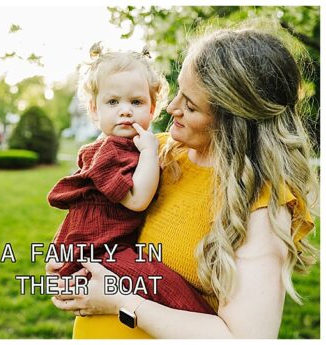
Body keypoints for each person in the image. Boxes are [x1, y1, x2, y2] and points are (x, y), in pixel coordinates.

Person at [49, 28, 317, 339]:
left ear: (233, 120)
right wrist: (69, 260)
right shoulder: (156, 153)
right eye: (177, 92)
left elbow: (244, 338)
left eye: (190, 105)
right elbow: (99, 218)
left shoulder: (261, 206)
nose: (172, 107)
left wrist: (119, 301)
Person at [47, 43, 213, 314]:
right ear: (94, 109)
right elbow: (137, 200)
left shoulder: (123, 147)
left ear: (152, 108)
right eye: (113, 102)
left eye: (136, 102)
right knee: (164, 284)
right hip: (100, 254)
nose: (125, 110)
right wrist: (149, 152)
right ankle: (206, 322)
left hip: (100, 249)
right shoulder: (108, 153)